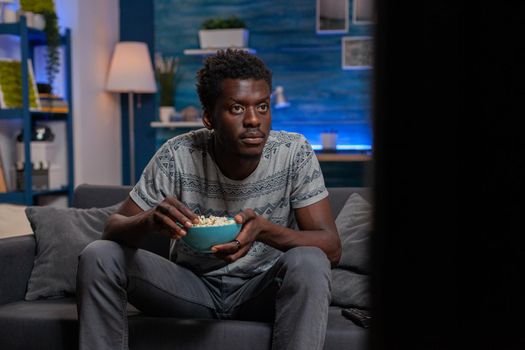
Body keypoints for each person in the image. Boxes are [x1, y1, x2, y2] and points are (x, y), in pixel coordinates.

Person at [76, 48, 341, 350]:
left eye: (263, 107)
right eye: (237, 108)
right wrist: (149, 220)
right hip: (189, 289)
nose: (254, 120)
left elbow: (331, 248)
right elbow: (112, 229)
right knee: (99, 254)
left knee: (310, 259)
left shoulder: (294, 153)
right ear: (208, 117)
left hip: (262, 291)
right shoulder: (177, 155)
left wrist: (265, 231)